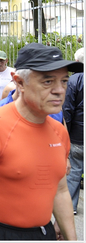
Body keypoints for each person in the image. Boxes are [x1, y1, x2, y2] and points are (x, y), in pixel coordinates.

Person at [0, 43, 82, 240]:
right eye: (48, 82)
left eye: (64, 81)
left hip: (42, 233)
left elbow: (60, 191)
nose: (59, 90)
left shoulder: (59, 131)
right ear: (20, 83)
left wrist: (71, 238)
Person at [63, 47, 84, 215]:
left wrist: (65, 135)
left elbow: (67, 110)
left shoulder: (75, 79)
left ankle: (70, 206)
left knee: (74, 171)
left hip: (78, 136)